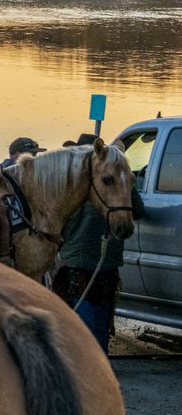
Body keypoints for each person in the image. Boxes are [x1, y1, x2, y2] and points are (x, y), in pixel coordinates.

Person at [51, 134, 144, 351]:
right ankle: (94, 369)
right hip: (91, 264)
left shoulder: (70, 183)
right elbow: (138, 210)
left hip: (85, 262)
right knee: (95, 325)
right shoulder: (100, 180)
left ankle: (92, 370)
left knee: (89, 325)